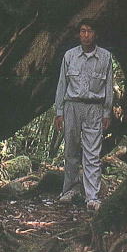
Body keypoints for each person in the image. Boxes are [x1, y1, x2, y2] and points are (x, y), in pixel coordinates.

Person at [54, 21, 113, 211]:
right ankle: (69, 190)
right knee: (70, 149)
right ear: (79, 34)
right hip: (72, 106)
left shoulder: (105, 57)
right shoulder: (69, 56)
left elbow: (108, 86)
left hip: (94, 109)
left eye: (89, 31)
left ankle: (92, 197)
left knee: (92, 153)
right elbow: (62, 84)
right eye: (82, 31)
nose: (86, 35)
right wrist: (59, 112)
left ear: (95, 34)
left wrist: (106, 112)